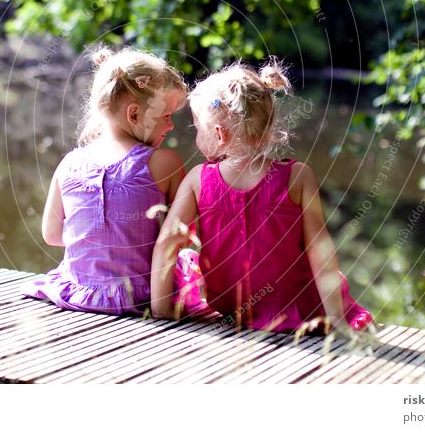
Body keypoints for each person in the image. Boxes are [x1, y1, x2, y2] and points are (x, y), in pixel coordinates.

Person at [151, 61, 373, 334]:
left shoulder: (197, 179)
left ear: (219, 134)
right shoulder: (298, 177)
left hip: (229, 305)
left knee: (187, 258)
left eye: (197, 128)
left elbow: (166, 244)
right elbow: (320, 250)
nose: (196, 136)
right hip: (293, 306)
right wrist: (337, 318)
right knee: (329, 276)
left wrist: (160, 311)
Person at [22, 47, 188, 315]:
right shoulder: (164, 163)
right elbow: (183, 236)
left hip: (78, 293)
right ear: (134, 115)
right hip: (141, 297)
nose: (170, 127)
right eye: (166, 116)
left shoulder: (69, 163)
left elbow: (52, 235)